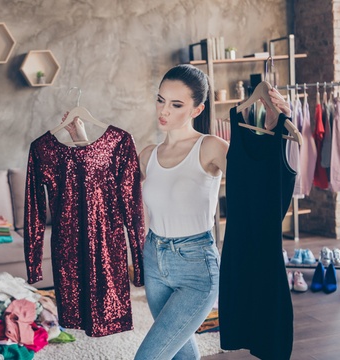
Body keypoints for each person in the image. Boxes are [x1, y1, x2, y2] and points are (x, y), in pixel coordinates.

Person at [63, 64, 291, 359]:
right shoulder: (148, 155)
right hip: (154, 262)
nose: (164, 110)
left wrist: (278, 129)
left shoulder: (210, 147)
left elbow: (256, 180)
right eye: (160, 100)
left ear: (197, 109)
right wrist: (81, 137)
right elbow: (105, 184)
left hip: (196, 268)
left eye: (176, 104)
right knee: (182, 353)